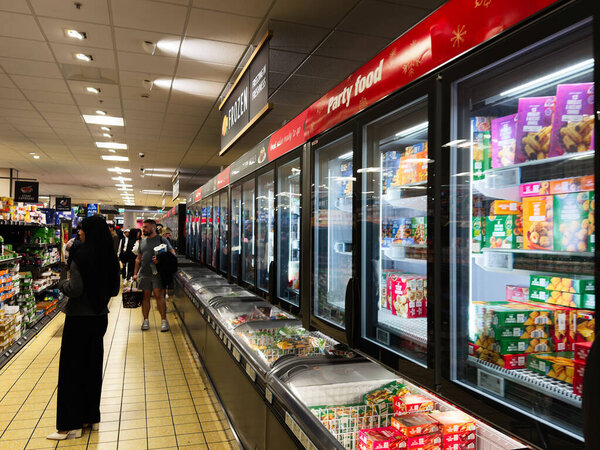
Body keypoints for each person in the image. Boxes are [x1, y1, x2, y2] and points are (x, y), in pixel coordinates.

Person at [47, 215, 120, 441]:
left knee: (72, 370)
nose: (79, 233)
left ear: (89, 231)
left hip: (79, 317)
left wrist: (60, 282)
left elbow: (75, 288)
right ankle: (91, 418)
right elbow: (115, 290)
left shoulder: (81, 256)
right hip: (100, 317)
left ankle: (69, 426)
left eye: (81, 230)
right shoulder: (110, 257)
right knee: (92, 366)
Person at [133, 219, 176, 332]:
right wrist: (135, 274)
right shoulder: (142, 242)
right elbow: (138, 259)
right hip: (144, 273)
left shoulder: (163, 240)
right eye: (143, 227)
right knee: (145, 297)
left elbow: (172, 254)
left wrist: (161, 259)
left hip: (158, 273)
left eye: (146, 227)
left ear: (153, 227)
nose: (143, 229)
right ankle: (146, 320)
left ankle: (164, 320)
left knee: (159, 296)